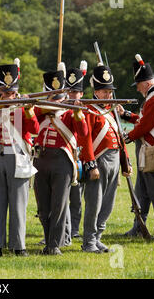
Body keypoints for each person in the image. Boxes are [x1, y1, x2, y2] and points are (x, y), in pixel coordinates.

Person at [33, 62, 88, 255]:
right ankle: (48, 240)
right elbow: (32, 121)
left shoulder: (69, 110)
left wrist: (78, 113)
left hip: (62, 160)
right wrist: (48, 105)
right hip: (40, 159)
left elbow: (83, 132)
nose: (56, 100)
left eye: (58, 96)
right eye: (52, 96)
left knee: (58, 205)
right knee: (43, 206)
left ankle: (54, 244)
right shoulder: (40, 109)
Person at [0, 62, 39, 257]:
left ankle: (18, 246)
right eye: (5, 93)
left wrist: (29, 110)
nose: (8, 96)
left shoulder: (22, 107)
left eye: (11, 93)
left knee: (18, 204)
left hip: (18, 154)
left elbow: (34, 129)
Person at [117, 54, 154, 239]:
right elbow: (142, 120)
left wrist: (128, 136)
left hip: (152, 151)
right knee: (142, 192)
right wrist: (125, 115)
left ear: (146, 83)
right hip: (146, 151)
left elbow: (146, 125)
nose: (138, 88)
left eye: (139, 85)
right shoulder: (152, 96)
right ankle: (139, 227)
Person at [81, 64, 132, 253]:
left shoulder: (111, 110)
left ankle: (98, 237)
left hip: (114, 160)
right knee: (94, 203)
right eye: (104, 91)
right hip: (99, 161)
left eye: (110, 91)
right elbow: (85, 140)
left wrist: (126, 161)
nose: (108, 94)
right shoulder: (90, 110)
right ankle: (88, 242)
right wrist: (91, 164)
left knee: (108, 203)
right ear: (96, 91)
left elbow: (119, 136)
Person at [64, 61, 88, 241]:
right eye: (70, 91)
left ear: (81, 93)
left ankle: (74, 229)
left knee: (77, 198)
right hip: (64, 156)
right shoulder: (60, 108)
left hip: (80, 157)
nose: (73, 95)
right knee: (62, 197)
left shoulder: (85, 109)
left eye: (76, 92)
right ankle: (63, 230)